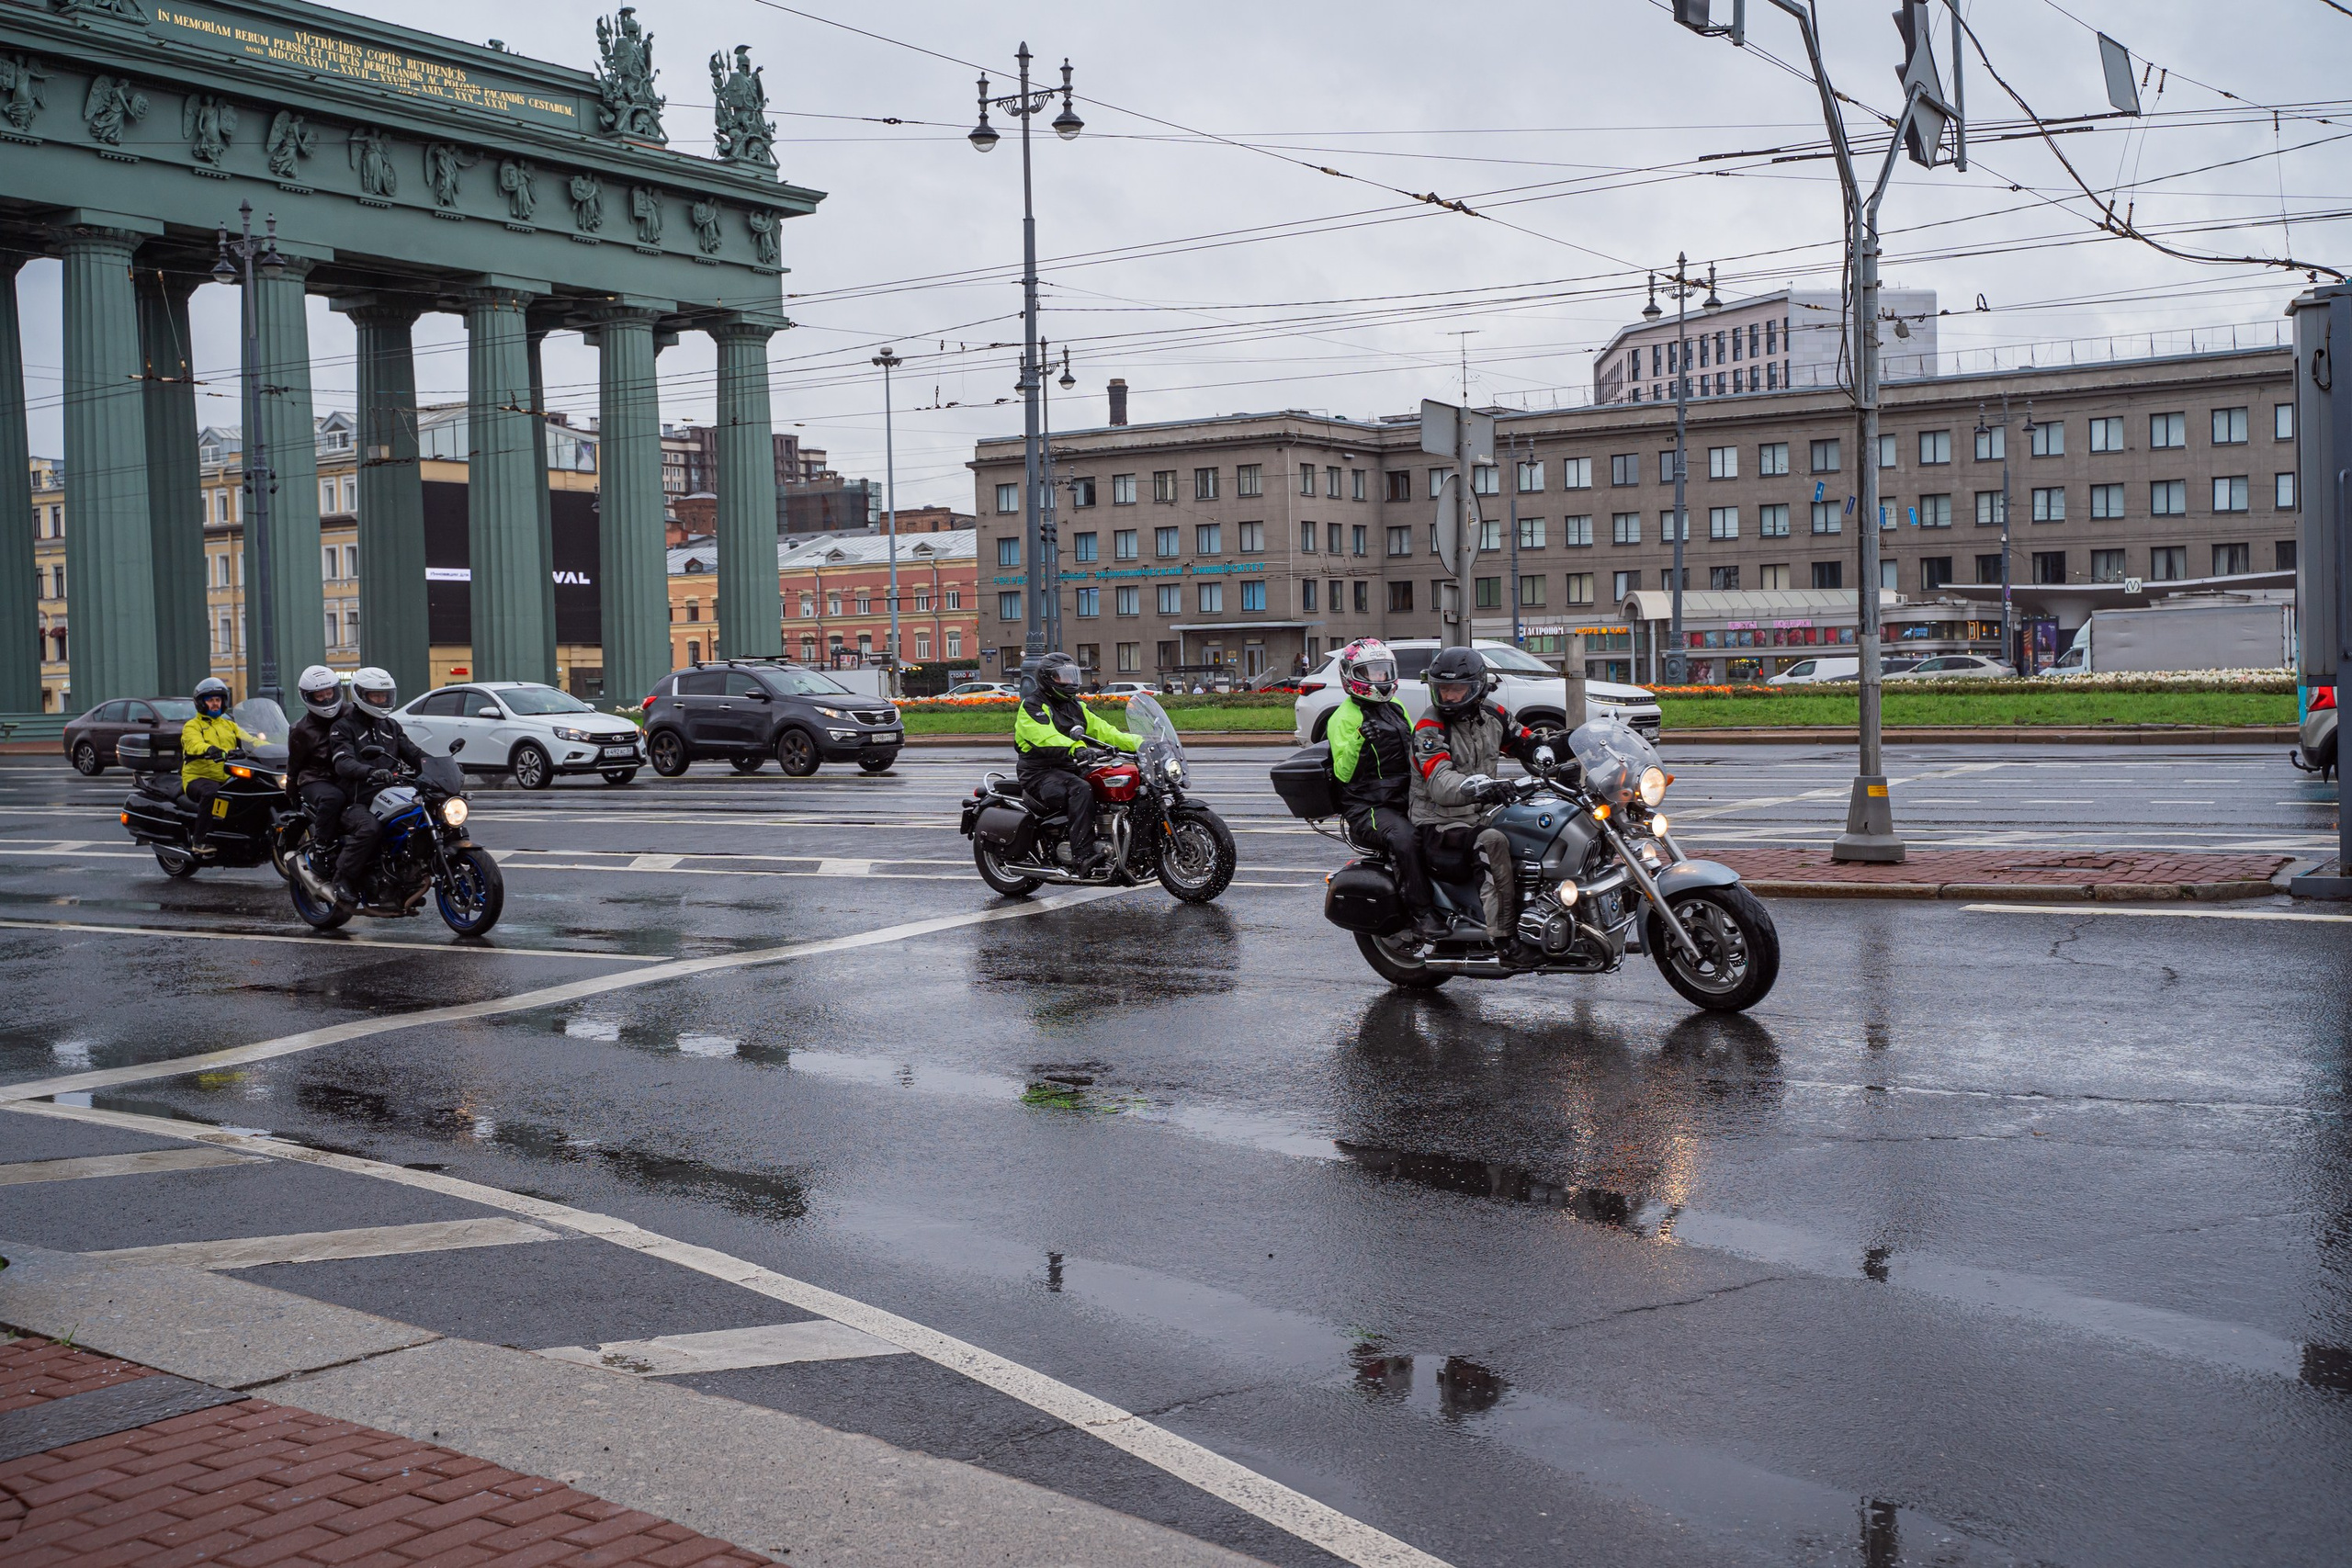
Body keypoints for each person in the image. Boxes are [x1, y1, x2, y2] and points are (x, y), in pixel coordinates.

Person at [1410, 645, 1549, 956]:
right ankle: (1505, 940)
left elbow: (1524, 740)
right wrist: (1484, 788)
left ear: (1477, 687)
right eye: (1443, 689)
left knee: (1537, 826)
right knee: (1491, 842)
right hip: (1440, 822)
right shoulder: (1431, 727)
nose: (1448, 697)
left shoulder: (1492, 714)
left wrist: (1548, 751)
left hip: (1482, 812)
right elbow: (1440, 783)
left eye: (1457, 690)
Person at [1326, 638, 1442, 940]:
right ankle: (1422, 914)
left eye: (1383, 671)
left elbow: (1414, 747)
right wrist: (1359, 741)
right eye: (1373, 673)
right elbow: (1342, 773)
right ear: (1352, 675)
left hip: (1404, 795)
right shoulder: (1344, 717)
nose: (1380, 679)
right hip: (1368, 806)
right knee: (1405, 839)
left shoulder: (1396, 706)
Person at [1013, 651, 1138, 873]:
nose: (1070, 682)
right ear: (1047, 678)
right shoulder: (1032, 706)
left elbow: (1105, 731)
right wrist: (1076, 748)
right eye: (1064, 677)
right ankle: (1083, 857)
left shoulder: (1076, 705)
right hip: (1039, 773)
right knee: (1081, 789)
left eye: (1073, 676)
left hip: (1070, 767)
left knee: (1113, 781)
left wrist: (1141, 743)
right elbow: (1044, 736)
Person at [325, 666, 425, 908]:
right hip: (358, 798)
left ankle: (405, 878)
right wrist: (370, 772)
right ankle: (343, 880)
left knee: (421, 817)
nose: (381, 700)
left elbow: (414, 753)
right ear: (361, 696)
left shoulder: (391, 726)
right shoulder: (343, 727)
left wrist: (441, 766)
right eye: (376, 696)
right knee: (369, 829)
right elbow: (343, 761)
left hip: (391, 794)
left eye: (384, 696)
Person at [180, 677, 265, 854]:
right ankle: (199, 840)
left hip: (227, 776)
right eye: (210, 700)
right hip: (198, 777)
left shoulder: (229, 725)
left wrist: (276, 748)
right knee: (211, 792)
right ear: (201, 703)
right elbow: (193, 744)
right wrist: (210, 749)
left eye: (218, 699)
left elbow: (251, 741)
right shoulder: (192, 726)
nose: (215, 703)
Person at [286, 665, 347, 865]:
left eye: (329, 693)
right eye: (320, 696)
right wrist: (292, 792)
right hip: (316, 777)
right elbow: (294, 765)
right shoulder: (300, 730)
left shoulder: (351, 713)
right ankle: (321, 847)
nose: (327, 699)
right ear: (308, 697)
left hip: (346, 773)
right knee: (333, 798)